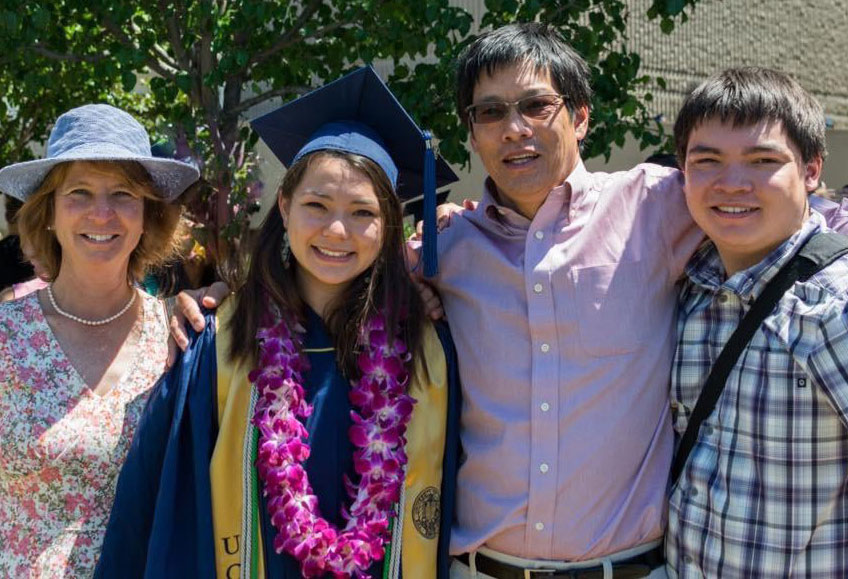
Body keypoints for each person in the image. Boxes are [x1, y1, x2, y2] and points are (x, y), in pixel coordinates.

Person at [175, 24, 848, 579]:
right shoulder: (443, 250)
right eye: (490, 113)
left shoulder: (660, 206)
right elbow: (334, 269)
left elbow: (770, 211)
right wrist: (217, 297)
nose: (514, 129)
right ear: (472, 133)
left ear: (580, 116)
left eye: (536, 106)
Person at [97, 66, 461, 578]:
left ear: (389, 223)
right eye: (316, 204)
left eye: (363, 212)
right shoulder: (220, 343)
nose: (338, 230)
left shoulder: (424, 350)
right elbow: (155, 501)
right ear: (285, 206)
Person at [0, 104, 199, 576]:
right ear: (48, 211)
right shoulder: (6, 336)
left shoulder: (179, 339)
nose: (102, 212)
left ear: (148, 214)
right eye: (80, 192)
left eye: (123, 193)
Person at [667, 67, 848, 578]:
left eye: (763, 161)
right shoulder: (691, 288)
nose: (731, 184)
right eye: (707, 161)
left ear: (811, 171)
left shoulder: (831, 305)